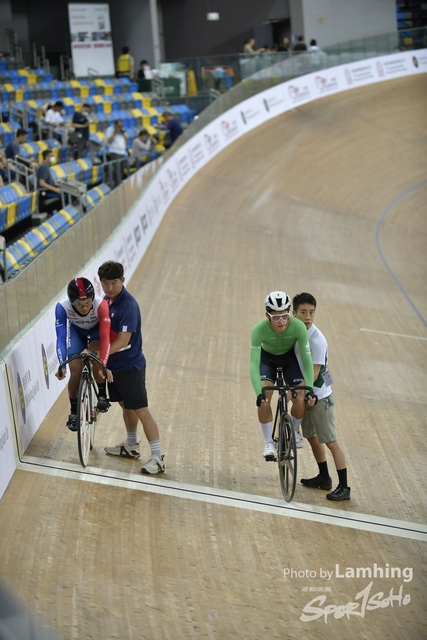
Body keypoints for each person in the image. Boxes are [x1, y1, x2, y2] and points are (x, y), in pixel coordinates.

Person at [98, 260, 165, 475]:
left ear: (123, 280)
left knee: (141, 410)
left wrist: (101, 355)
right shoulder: (106, 301)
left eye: (114, 283)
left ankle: (157, 457)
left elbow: (124, 340)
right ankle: (131, 445)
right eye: (105, 283)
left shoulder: (128, 306)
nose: (109, 288)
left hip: (129, 366)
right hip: (115, 366)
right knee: (125, 405)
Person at [292, 292, 350, 501]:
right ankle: (324, 477)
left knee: (331, 442)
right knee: (311, 436)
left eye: (312, 312)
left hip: (320, 397)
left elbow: (314, 375)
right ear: (294, 313)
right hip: (307, 394)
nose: (308, 317)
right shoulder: (295, 332)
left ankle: (344, 487)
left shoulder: (317, 340)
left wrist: (295, 391)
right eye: (303, 312)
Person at [250, 291, 316, 460]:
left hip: (289, 359)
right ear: (267, 315)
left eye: (285, 316)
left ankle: (294, 430)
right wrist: (258, 393)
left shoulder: (298, 327)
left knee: (300, 395)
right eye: (276, 317)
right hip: (267, 360)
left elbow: (307, 360)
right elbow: (253, 364)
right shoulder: (258, 330)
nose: (281, 321)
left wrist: (309, 388)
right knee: (265, 397)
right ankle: (268, 443)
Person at [55, 277, 111, 431]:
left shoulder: (101, 305)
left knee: (96, 360)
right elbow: (60, 338)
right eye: (79, 304)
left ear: (93, 299)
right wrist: (62, 365)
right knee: (75, 372)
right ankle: (73, 412)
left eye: (87, 303)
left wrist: (103, 363)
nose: (85, 307)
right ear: (71, 302)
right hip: (76, 332)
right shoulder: (62, 307)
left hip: (96, 331)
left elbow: (105, 337)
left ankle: (101, 394)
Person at [37, 149, 62, 213]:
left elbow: (51, 182)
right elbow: (42, 183)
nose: (53, 158)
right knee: (63, 196)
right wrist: (55, 189)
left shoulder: (47, 167)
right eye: (51, 156)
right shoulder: (43, 167)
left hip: (50, 191)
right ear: (46, 157)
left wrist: (59, 185)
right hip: (45, 193)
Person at [105, 118, 128, 185]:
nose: (120, 127)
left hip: (122, 152)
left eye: (121, 126)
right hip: (114, 152)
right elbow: (109, 141)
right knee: (117, 170)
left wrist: (122, 133)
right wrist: (115, 133)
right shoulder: (110, 129)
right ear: (115, 125)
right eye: (119, 126)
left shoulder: (122, 130)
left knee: (122, 169)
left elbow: (126, 138)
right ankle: (118, 184)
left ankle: (122, 182)